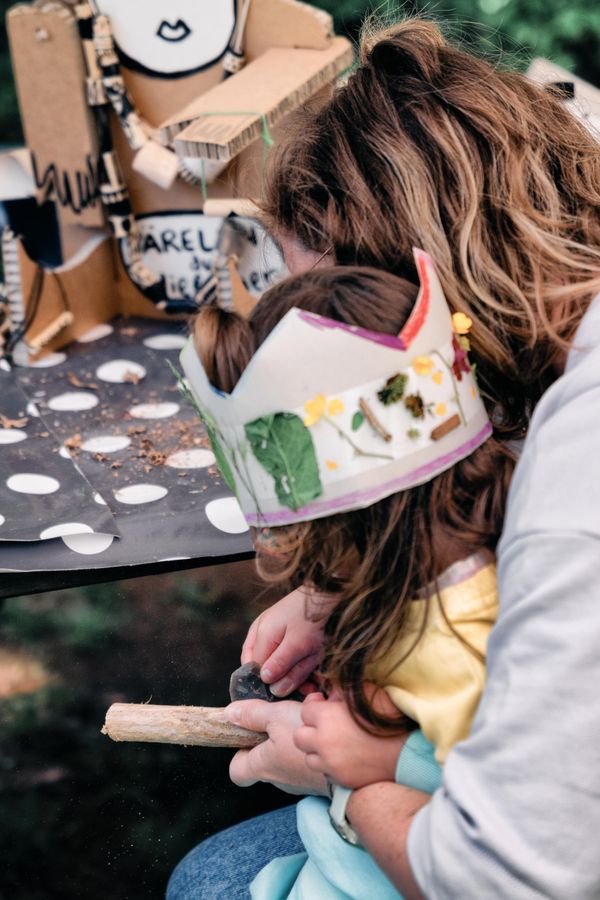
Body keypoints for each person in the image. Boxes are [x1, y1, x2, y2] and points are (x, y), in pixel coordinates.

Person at [169, 18, 600, 899]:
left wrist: (351, 779)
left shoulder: (576, 491)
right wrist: (345, 582)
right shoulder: (554, 346)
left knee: (207, 881)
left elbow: (507, 878)